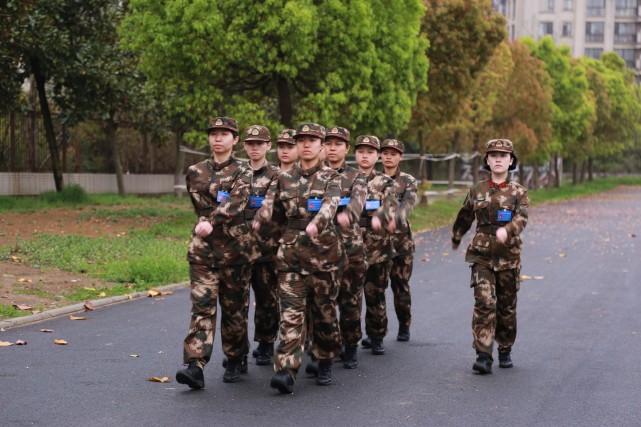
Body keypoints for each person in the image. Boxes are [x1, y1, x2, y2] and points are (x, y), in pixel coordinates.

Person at [253, 122, 344, 394]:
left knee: (323, 314)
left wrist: (317, 223)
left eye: (312, 140)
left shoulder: (332, 177)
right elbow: (270, 205)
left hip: (323, 256)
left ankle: (325, 358)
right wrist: (261, 219)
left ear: (321, 146)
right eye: (301, 139)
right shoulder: (283, 177)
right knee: (291, 315)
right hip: (291, 255)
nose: (306, 144)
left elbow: (331, 204)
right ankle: (286, 369)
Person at [176, 117, 260, 389]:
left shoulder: (244, 171)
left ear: (235, 140)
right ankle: (194, 365)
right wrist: (206, 222)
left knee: (234, 309)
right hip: (203, 252)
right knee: (202, 308)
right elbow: (198, 204)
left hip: (236, 251)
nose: (218, 138)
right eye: (214, 133)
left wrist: (210, 221)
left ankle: (236, 356)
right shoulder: (194, 171)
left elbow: (237, 202)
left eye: (225, 134)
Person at [451, 138, 529, 374]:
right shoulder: (477, 190)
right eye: (493, 155)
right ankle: (483, 355)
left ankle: (504, 348)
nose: (498, 159)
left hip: (508, 257)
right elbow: (465, 216)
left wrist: (509, 230)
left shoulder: (518, 192)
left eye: (503, 156)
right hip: (481, 256)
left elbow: (522, 218)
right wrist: (457, 236)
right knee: (484, 303)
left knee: (506, 308)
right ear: (487, 160)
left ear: (510, 161)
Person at [324, 126, 368, 369]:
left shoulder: (355, 176)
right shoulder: (314, 176)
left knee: (350, 302)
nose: (332, 147)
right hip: (319, 249)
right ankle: (324, 348)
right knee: (322, 302)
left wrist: (347, 214)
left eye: (337, 144)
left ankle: (350, 344)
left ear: (346, 149)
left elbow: (358, 200)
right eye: (328, 143)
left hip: (350, 248)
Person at [354, 135, 397, 356]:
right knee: (349, 297)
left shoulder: (385, 182)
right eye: (361, 151)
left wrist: (383, 216)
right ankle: (348, 340)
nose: (365, 155)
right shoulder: (344, 178)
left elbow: (391, 205)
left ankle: (376, 335)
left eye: (370, 152)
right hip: (349, 246)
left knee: (375, 293)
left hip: (377, 247)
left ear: (377, 155)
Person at [242, 125, 281, 366]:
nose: (255, 147)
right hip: (237, 249)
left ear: (268, 146)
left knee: (267, 298)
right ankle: (237, 351)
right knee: (236, 302)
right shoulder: (236, 173)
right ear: (245, 145)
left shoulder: (278, 175)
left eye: (260, 143)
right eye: (250, 143)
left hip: (267, 248)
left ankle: (266, 342)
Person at [380, 139, 418, 342]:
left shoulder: (407, 180)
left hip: (401, 242)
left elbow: (408, 204)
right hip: (375, 242)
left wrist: (396, 219)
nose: (388, 156)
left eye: (393, 153)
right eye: (385, 152)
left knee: (400, 284)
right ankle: (377, 330)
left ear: (400, 157)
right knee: (375, 287)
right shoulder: (371, 179)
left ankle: (404, 323)